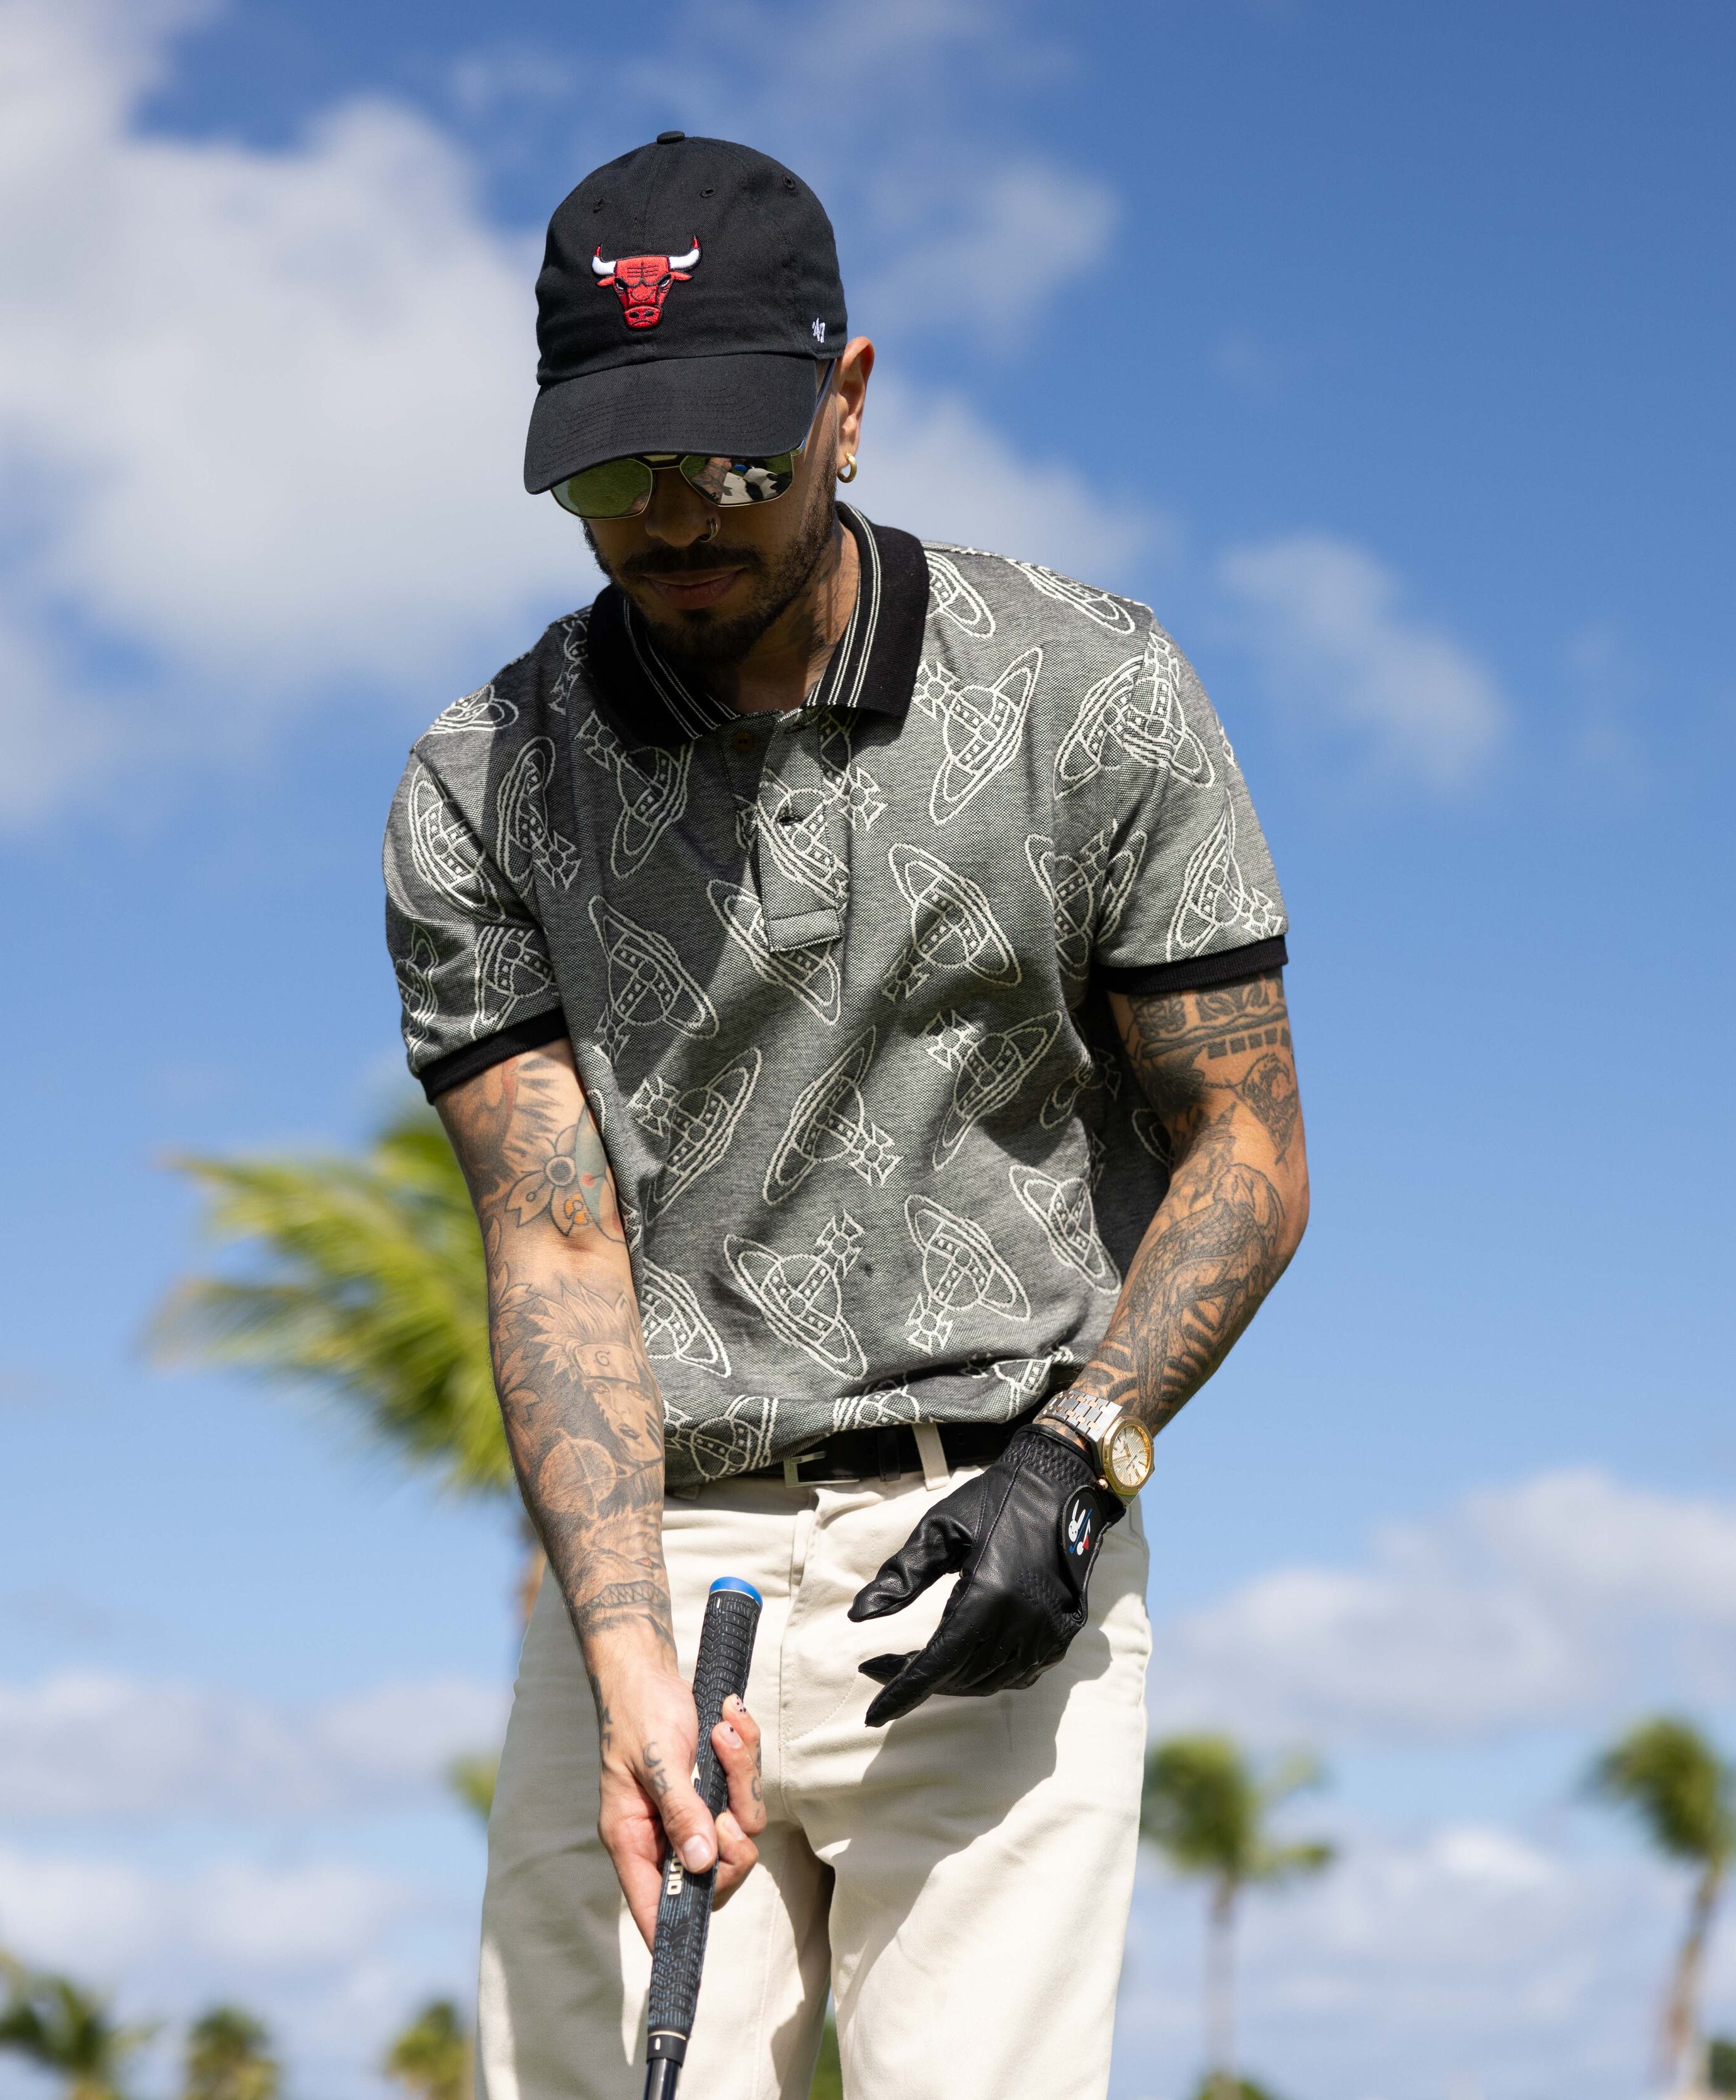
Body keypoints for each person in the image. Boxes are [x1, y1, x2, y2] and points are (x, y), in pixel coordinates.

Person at [382, 133, 1307, 2100]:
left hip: (993, 1543)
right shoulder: (482, 786)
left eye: (724, 461)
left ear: (847, 403)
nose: (670, 522)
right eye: (611, 476)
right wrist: (623, 1653)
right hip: (652, 1565)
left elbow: (1247, 1149)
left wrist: (1081, 1455)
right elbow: (553, 1238)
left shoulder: (1092, 693)